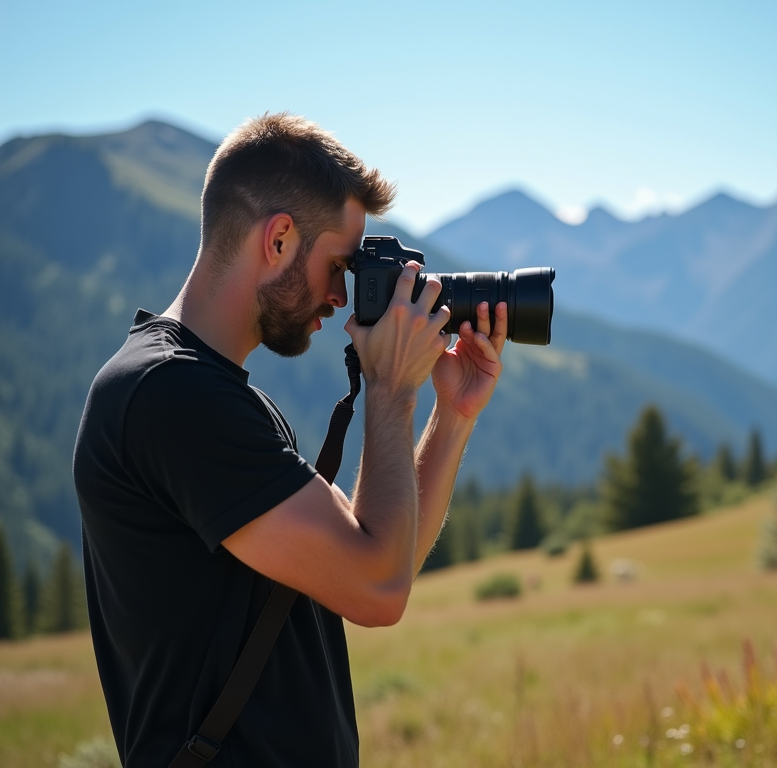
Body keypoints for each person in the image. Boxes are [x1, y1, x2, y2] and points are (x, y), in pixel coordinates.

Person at [72, 112, 506, 766]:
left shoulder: (219, 397)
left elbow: (379, 557)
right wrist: (391, 389)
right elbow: (377, 591)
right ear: (277, 240)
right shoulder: (169, 396)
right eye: (339, 263)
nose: (342, 294)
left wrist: (454, 415)